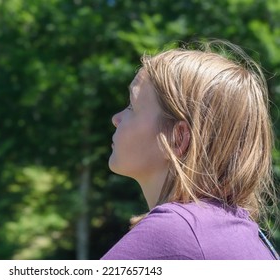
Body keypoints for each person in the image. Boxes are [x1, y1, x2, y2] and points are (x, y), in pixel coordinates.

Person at [101, 40, 279, 260]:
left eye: (132, 106)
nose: (116, 119)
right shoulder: (246, 236)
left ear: (178, 138)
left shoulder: (174, 232)